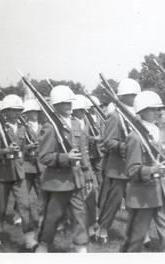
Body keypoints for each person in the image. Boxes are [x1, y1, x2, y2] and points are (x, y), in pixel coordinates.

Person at [36, 85, 93, 253]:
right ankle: (44, 244)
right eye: (63, 103)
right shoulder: (51, 126)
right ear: (55, 105)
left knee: (80, 215)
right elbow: (44, 157)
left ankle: (80, 246)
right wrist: (65, 158)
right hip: (58, 181)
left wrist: (88, 175)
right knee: (53, 216)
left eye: (69, 102)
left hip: (76, 179)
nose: (68, 106)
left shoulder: (76, 123)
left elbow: (83, 153)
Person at [120, 91, 165, 252]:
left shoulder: (158, 131)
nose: (158, 112)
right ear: (143, 111)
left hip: (161, 192)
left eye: (159, 109)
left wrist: (162, 166)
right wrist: (153, 169)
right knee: (134, 240)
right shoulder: (135, 137)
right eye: (154, 109)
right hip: (142, 195)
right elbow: (131, 170)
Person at [0, 94, 38, 250]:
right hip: (2, 174)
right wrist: (5, 150)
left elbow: (22, 150)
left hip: (19, 174)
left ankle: (30, 239)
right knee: (0, 208)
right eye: (14, 110)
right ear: (6, 111)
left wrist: (29, 148)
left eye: (19, 110)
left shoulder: (23, 128)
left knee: (25, 205)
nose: (18, 113)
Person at [96, 78, 141, 243]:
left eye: (136, 94)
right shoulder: (115, 116)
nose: (134, 97)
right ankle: (102, 229)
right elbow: (108, 141)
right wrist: (125, 146)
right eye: (131, 94)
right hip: (119, 167)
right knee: (113, 202)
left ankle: (142, 235)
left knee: (137, 199)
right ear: (122, 96)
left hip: (137, 165)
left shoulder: (138, 113)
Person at [72, 94, 99, 241]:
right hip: (77, 166)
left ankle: (91, 225)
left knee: (91, 195)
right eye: (80, 109)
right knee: (81, 198)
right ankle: (86, 228)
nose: (83, 112)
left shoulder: (85, 123)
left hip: (86, 163)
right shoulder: (71, 124)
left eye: (84, 109)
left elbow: (85, 145)